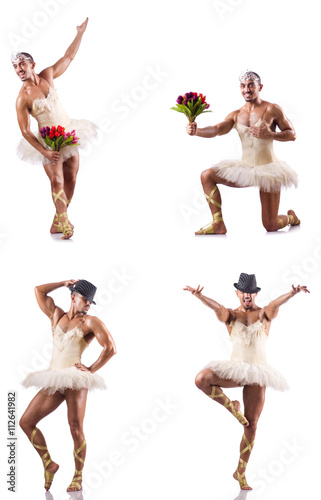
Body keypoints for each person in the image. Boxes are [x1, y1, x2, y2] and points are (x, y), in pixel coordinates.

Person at [184, 273, 309, 490]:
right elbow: (217, 308)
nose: (248, 295)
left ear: (255, 293)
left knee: (251, 426)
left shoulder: (264, 315)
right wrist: (199, 297)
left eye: (251, 292)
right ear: (238, 293)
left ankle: (240, 471)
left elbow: (274, 304)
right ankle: (232, 406)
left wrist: (292, 293)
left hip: (258, 372)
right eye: (244, 292)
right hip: (237, 370)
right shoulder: (231, 316)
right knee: (201, 379)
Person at [19, 279, 116, 492]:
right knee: (26, 422)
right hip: (54, 377)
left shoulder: (90, 322)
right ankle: (48, 463)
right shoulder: (56, 315)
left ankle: (78, 477)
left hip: (75, 378)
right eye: (85, 299)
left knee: (75, 427)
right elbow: (38, 290)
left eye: (91, 301)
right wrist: (64, 282)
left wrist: (90, 369)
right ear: (73, 297)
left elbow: (110, 348)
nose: (89, 304)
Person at [13, 18, 98, 239]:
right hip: (48, 141)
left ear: (32, 64)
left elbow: (68, 57)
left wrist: (80, 33)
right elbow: (25, 130)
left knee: (71, 178)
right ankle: (66, 224)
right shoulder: (22, 98)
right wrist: (44, 151)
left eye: (22, 64)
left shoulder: (48, 75)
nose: (18, 69)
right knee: (56, 180)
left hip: (68, 132)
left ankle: (57, 221)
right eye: (14, 66)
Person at [186, 70, 299, 234]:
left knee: (271, 225)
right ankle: (218, 224)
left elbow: (292, 134)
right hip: (245, 168)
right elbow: (217, 129)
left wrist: (270, 134)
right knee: (207, 175)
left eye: (251, 85)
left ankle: (291, 218)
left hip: (269, 169)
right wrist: (197, 131)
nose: (247, 89)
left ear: (260, 87)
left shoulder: (272, 109)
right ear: (240, 88)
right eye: (243, 85)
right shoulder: (236, 114)